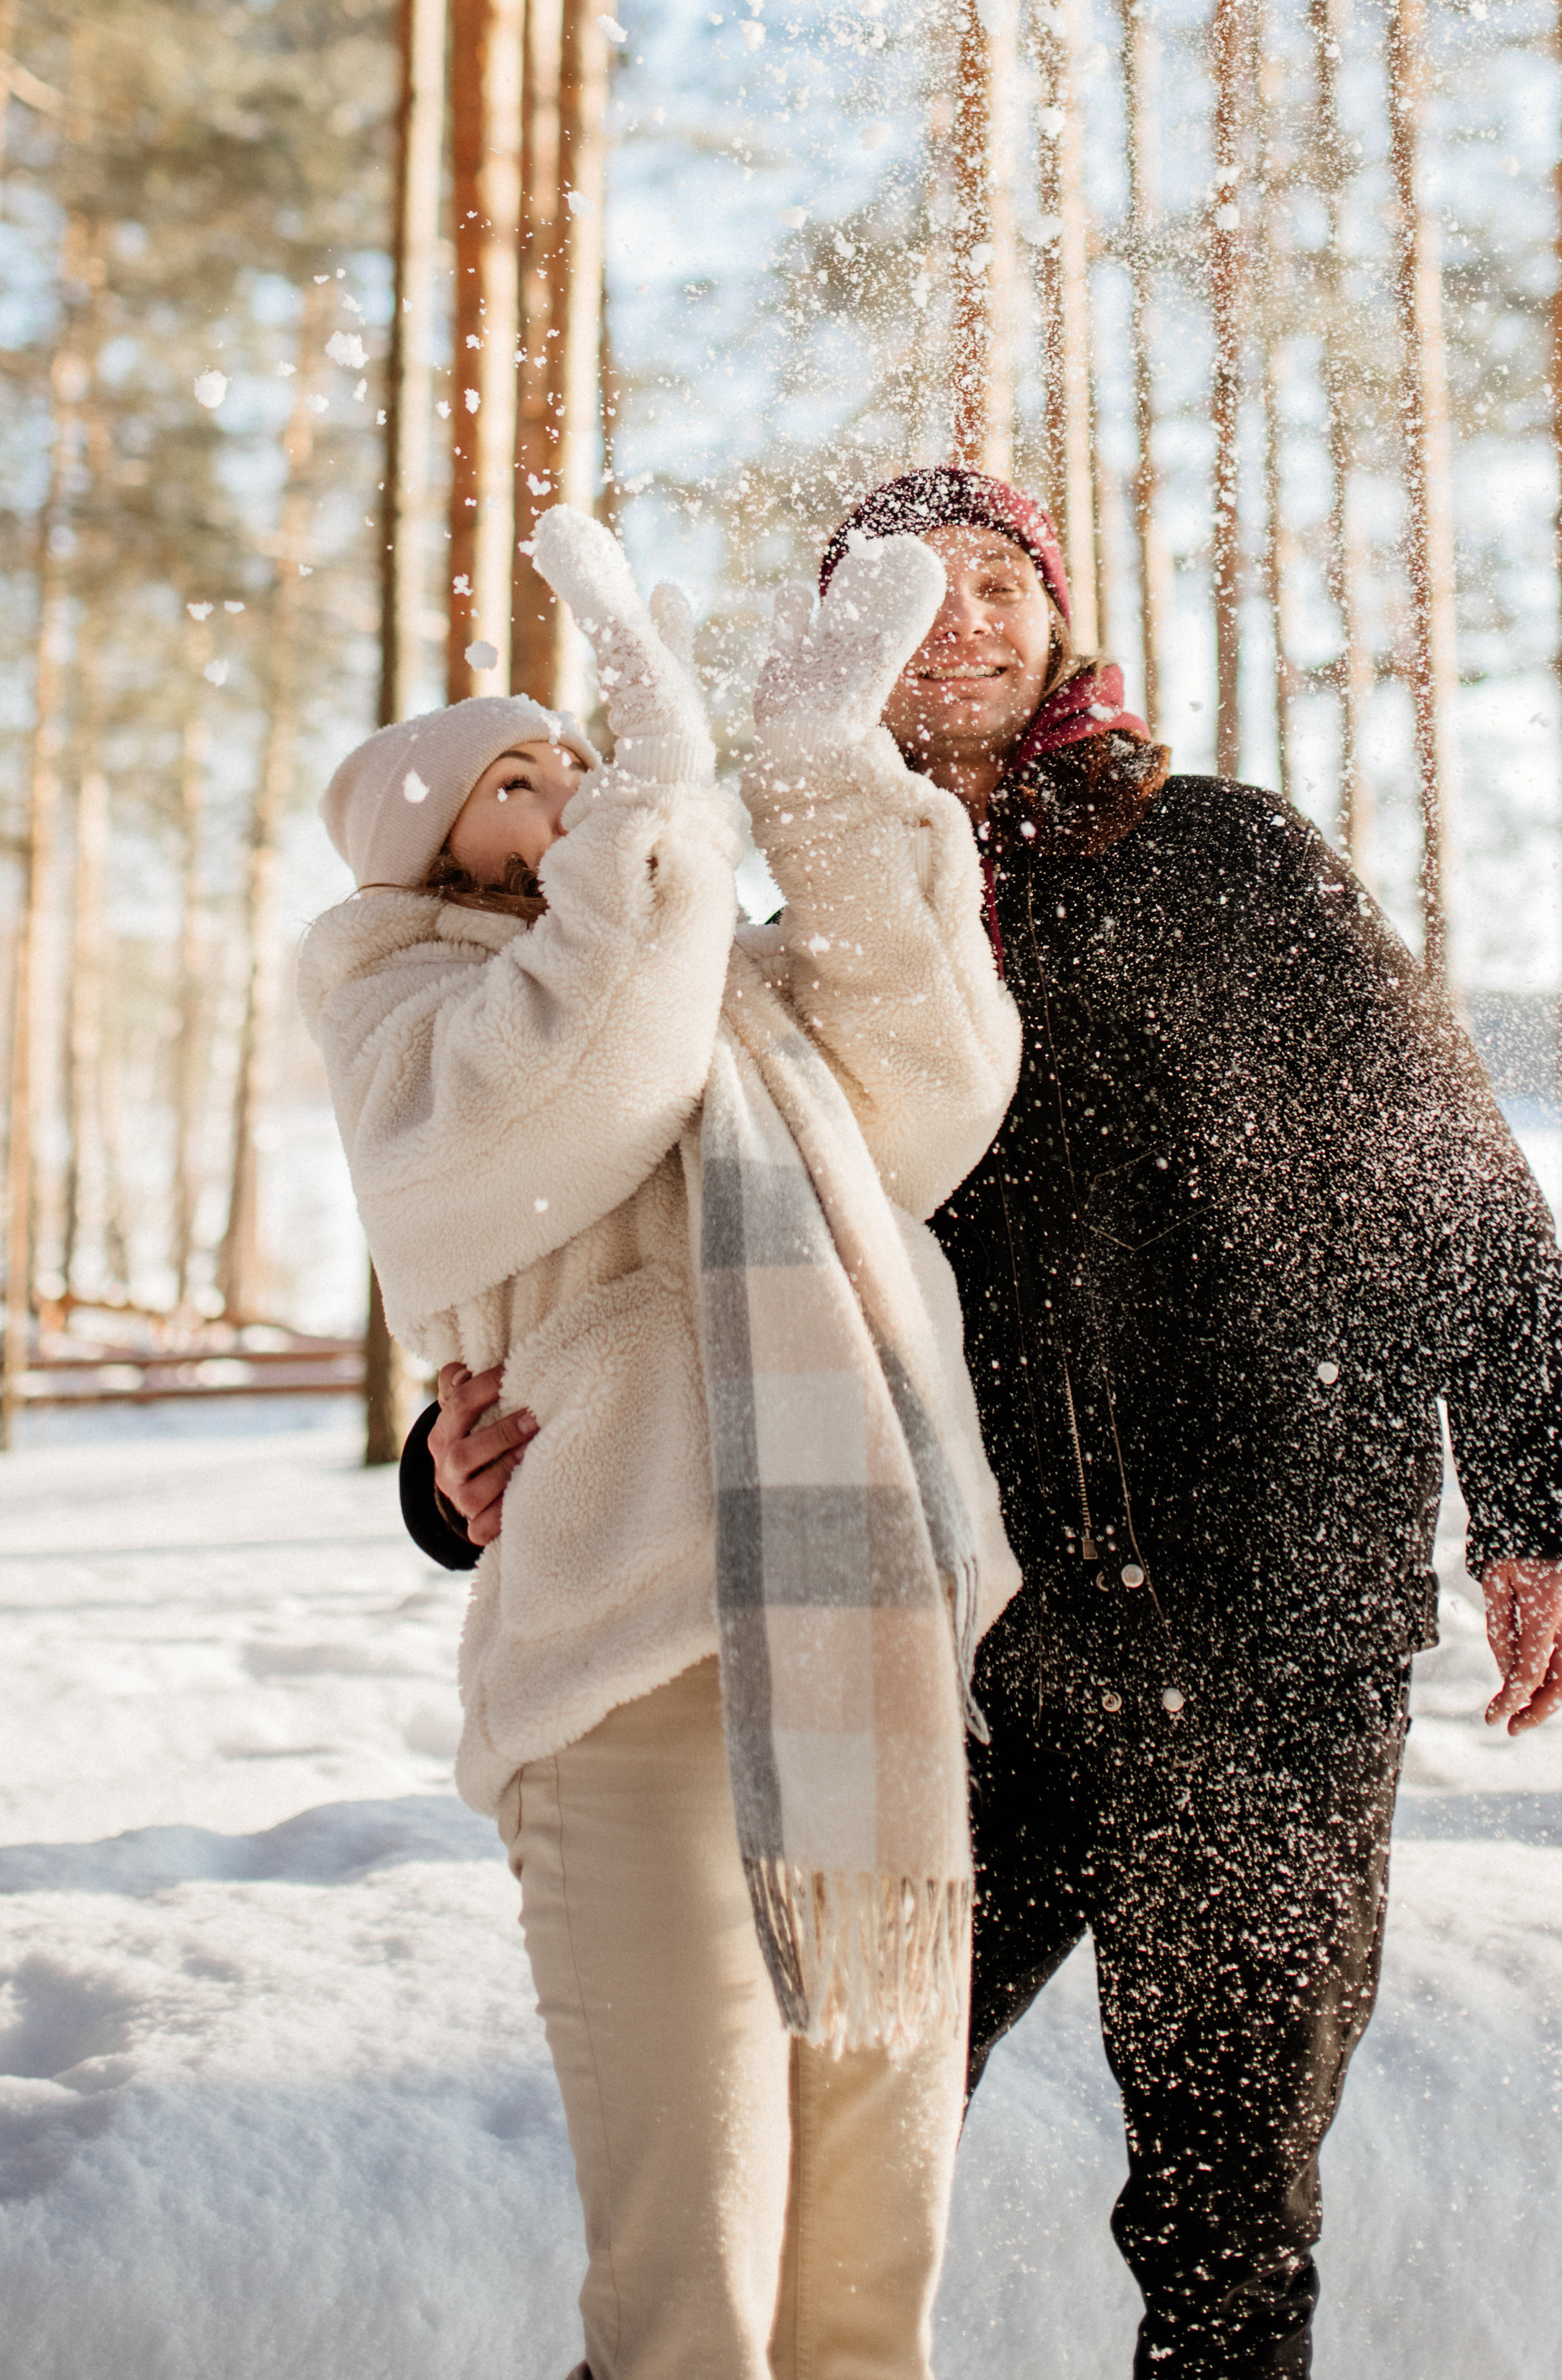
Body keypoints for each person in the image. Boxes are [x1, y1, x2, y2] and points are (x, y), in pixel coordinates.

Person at [412, 469, 1562, 2380]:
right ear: (844, 654)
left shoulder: (1227, 858)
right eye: (905, 589)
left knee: (1229, 2211)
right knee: (821, 2137)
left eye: (997, 578)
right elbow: (631, 1259)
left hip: (1270, 1636)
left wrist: (1540, 1495)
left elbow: (1457, 1187)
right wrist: (448, 1466)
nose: (958, 616)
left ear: (1060, 622)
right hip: (959, 1650)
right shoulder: (784, 953)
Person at [302, 506, 1023, 2380]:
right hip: (627, 1683)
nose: (561, 791)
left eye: (572, 758)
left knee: (864, 2292)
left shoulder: (710, 967)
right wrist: (663, 802)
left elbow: (936, 1071)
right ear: (426, 844)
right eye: (511, 778)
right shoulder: (416, 1015)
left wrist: (813, 773)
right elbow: (583, 1079)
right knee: (693, 2295)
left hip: (862, 1668)